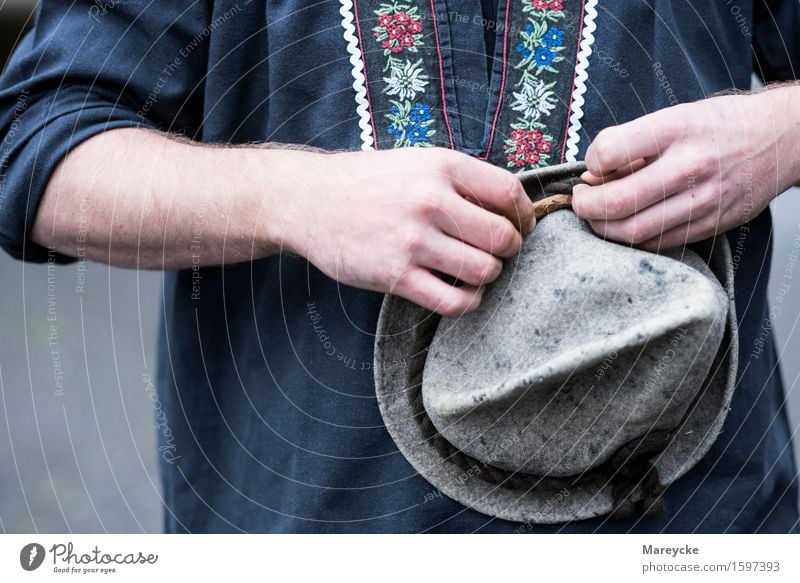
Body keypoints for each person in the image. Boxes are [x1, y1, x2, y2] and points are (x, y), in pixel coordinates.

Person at [0, 0, 797, 533]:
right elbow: (40, 149)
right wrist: (298, 196)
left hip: (698, 521)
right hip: (317, 526)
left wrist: (779, 131)